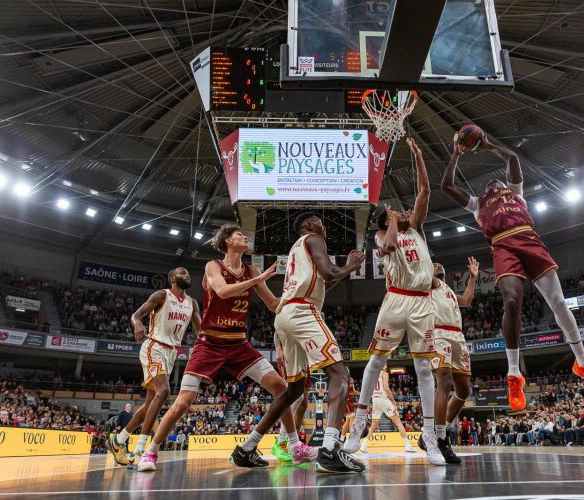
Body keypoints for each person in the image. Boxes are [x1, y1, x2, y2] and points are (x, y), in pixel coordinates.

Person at [440, 132, 584, 409]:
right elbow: (446, 185)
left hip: (529, 239)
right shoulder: (477, 205)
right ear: (485, 190)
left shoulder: (516, 193)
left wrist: (489, 145)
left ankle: (583, 362)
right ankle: (514, 374)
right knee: (511, 301)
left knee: (557, 302)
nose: (493, 182)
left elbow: (512, 158)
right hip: (503, 246)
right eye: (489, 183)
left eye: (497, 180)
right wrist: (456, 155)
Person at [143, 224, 306, 472]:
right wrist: (258, 278)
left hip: (239, 343)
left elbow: (273, 304)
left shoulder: (251, 269)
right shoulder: (213, 266)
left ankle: (294, 447)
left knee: (281, 387)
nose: (245, 237)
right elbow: (222, 291)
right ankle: (150, 453)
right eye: (240, 235)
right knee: (183, 402)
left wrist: (299, 292)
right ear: (228, 241)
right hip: (210, 342)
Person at [236, 212, 366, 473]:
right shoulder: (315, 238)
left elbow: (324, 282)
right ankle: (330, 450)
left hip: (285, 316)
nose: (324, 225)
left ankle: (247, 448)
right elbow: (330, 272)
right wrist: (351, 265)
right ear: (309, 225)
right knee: (340, 373)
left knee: (293, 391)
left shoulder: (299, 249)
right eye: (320, 220)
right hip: (303, 312)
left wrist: (343, 272)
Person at [344, 138, 445, 466]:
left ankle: (429, 437)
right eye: (396, 212)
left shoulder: (415, 228)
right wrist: (388, 221)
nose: (404, 211)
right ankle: (358, 425)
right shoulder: (383, 236)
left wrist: (418, 157)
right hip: (397, 301)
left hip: (422, 303)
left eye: (403, 211)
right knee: (375, 361)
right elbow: (387, 248)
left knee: (423, 368)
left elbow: (424, 192)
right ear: (387, 221)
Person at [109, 268, 200, 470]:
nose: (187, 275)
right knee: (164, 391)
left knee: (149, 404)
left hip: (171, 353)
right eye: (183, 273)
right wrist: (138, 324)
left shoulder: (192, 303)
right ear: (172, 278)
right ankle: (141, 448)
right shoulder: (162, 295)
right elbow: (136, 315)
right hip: (154, 347)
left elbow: (199, 330)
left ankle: (118, 440)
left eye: (188, 273)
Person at [417, 258, 478, 463]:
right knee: (443, 381)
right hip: (439, 333)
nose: (439, 264)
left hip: (457, 337)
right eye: (434, 264)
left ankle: (434, 432)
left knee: (464, 390)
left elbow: (468, 301)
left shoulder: (448, 290)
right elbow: (426, 269)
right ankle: (441, 439)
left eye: (441, 265)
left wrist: (472, 278)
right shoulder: (430, 283)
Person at [360, 366, 417, 454]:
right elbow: (386, 389)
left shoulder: (373, 374)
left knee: (373, 425)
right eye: (385, 364)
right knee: (398, 422)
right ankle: (408, 446)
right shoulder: (384, 373)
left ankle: (363, 446)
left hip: (375, 400)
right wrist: (393, 400)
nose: (386, 365)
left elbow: (368, 389)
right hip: (383, 399)